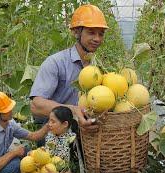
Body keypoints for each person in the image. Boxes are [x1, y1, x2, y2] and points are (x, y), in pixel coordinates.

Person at [29, 4, 108, 139]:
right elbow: (36, 105)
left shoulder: (100, 69)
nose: (97, 39)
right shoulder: (55, 62)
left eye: (101, 34)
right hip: (56, 134)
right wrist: (73, 111)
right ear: (76, 32)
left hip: (87, 133)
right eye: (91, 32)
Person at [37, 106, 77, 173]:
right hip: (48, 172)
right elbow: (47, 156)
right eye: (49, 121)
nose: (49, 124)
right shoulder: (50, 135)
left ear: (65, 124)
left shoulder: (73, 142)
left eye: (53, 122)